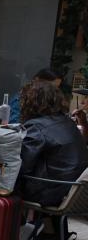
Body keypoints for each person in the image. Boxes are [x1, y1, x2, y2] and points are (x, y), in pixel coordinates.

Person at [17, 80, 88, 209]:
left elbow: (21, 165)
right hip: (69, 190)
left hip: (50, 192)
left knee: (1, 181)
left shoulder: (37, 126)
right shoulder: (68, 123)